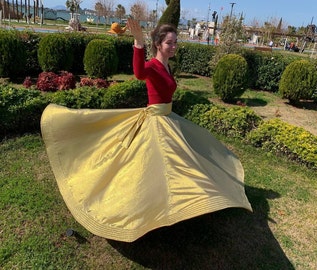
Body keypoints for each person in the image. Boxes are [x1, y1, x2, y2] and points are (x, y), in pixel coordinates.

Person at [40, 18, 252, 243]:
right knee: (151, 169)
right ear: (158, 44)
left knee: (183, 163)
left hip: (169, 119)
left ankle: (188, 202)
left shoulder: (168, 65)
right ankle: (147, 210)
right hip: (155, 122)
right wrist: (138, 42)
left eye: (175, 42)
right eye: (169, 43)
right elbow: (139, 72)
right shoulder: (152, 65)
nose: (174, 46)